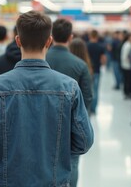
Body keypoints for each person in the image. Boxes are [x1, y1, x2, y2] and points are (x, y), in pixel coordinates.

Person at [0, 11, 94, 187]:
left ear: (18, 41)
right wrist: (59, 152)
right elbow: (84, 142)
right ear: (49, 41)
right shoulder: (70, 87)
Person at [46, 19, 93, 187]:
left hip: (42, 123)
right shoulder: (80, 65)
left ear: (51, 37)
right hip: (69, 125)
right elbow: (87, 97)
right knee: (71, 163)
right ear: (70, 37)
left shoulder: (42, 60)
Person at [87, 30, 106, 114]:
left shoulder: (86, 46)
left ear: (90, 36)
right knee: (95, 90)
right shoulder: (100, 47)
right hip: (97, 70)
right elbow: (104, 60)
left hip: (87, 71)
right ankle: (94, 109)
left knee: (87, 89)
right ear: (97, 36)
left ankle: (88, 108)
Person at [121, 33, 131, 99]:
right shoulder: (128, 45)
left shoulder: (127, 44)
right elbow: (126, 56)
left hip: (125, 65)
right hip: (127, 66)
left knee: (126, 80)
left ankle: (126, 93)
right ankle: (127, 93)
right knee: (128, 81)